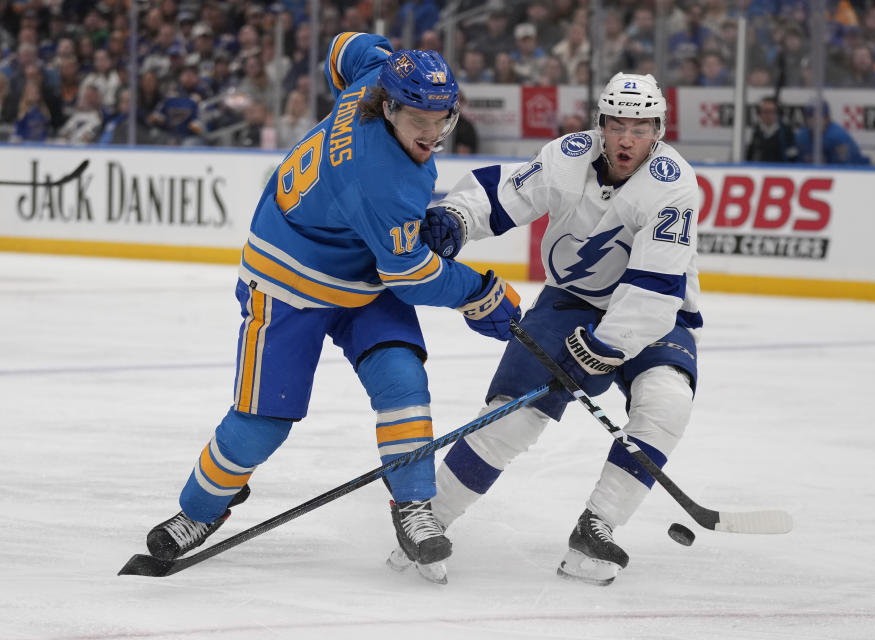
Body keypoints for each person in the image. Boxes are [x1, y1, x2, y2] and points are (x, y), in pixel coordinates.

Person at [141, 33, 521, 581]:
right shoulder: (380, 180)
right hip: (288, 282)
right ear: (389, 108)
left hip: (360, 272)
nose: (433, 133)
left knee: (402, 379)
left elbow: (344, 46)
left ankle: (413, 503)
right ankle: (197, 511)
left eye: (442, 118)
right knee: (260, 424)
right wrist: (480, 293)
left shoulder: (376, 78)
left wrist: (391, 55)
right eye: (420, 119)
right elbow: (410, 275)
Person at [401, 73, 702, 585]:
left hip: (653, 312)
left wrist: (607, 347)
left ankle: (597, 527)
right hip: (570, 302)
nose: (628, 138)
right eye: (617, 124)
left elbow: (654, 286)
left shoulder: (674, 185)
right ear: (600, 124)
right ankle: (428, 522)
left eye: (642, 126)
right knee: (513, 416)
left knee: (667, 401)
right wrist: (456, 216)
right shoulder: (568, 156)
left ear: (659, 129)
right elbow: (502, 195)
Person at [795, 101, 870, 165]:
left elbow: (844, 169)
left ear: (827, 118)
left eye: (818, 117)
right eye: (810, 117)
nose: (814, 121)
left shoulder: (838, 137)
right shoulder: (802, 136)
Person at [745, 96, 799, 163]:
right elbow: (749, 157)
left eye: (771, 111)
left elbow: (793, 159)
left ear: (777, 113)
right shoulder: (756, 131)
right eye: (764, 111)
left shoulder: (786, 132)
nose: (767, 115)